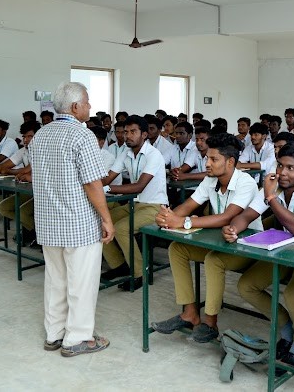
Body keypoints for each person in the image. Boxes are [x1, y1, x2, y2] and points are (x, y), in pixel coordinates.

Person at [28, 81, 114, 357]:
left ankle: (54, 334)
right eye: (87, 102)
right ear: (76, 107)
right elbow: (93, 184)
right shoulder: (82, 136)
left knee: (56, 280)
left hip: (48, 221)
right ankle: (77, 338)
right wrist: (106, 219)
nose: (90, 107)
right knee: (81, 283)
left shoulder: (41, 134)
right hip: (78, 223)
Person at [151, 133, 261, 343]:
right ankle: (190, 312)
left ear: (230, 162)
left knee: (213, 260)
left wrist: (183, 222)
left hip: (245, 247)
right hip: (218, 242)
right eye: (206, 158)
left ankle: (210, 322)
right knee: (177, 248)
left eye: (213, 159)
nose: (207, 164)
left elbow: (227, 217)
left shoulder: (246, 183)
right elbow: (188, 206)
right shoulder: (210, 180)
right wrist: (168, 216)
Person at [227, 143, 294, 368]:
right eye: (280, 165)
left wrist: (271, 197)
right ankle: (285, 325)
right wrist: (234, 228)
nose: (282, 172)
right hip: (283, 250)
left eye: (291, 168)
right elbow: (247, 215)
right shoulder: (274, 186)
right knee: (247, 286)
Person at [101, 115, 168, 290]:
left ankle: (140, 273)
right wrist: (91, 186)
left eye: (133, 132)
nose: (127, 136)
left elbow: (139, 186)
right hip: (135, 205)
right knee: (99, 222)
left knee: (123, 229)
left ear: (144, 134)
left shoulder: (154, 155)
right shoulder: (126, 152)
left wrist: (107, 189)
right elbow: (108, 177)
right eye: (125, 132)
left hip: (155, 207)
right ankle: (119, 265)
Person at [0, 121, 41, 245]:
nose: (26, 140)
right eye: (24, 137)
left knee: (23, 212)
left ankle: (40, 236)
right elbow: (7, 164)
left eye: (30, 136)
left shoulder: (43, 150)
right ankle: (34, 232)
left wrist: (10, 171)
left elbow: (27, 170)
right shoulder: (24, 151)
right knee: (4, 207)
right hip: (27, 189)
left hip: (42, 192)